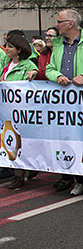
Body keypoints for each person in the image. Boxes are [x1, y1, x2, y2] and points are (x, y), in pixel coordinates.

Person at [46, 9, 83, 195]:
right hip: (64, 103)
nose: (56, 24)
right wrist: (58, 76)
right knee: (69, 140)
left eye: (59, 21)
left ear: (70, 23)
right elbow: (50, 69)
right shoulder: (57, 45)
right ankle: (78, 178)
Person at [0, 34, 39, 189]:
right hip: (6, 111)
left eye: (9, 46)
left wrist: (34, 74)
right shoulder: (5, 64)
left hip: (21, 111)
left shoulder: (28, 65)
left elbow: (35, 76)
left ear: (19, 49)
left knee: (21, 141)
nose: (6, 49)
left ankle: (20, 174)